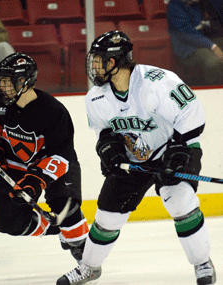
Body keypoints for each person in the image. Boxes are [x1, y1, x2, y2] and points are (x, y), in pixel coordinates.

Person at [56, 31, 216, 285]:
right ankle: (89, 267)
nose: (93, 66)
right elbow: (105, 132)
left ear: (113, 61)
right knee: (107, 215)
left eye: (98, 60)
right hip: (133, 158)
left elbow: (191, 116)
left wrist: (176, 155)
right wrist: (110, 150)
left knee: (180, 201)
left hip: (175, 147)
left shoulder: (158, 82)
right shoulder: (96, 97)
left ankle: (202, 263)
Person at [0, 52, 88, 264]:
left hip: (56, 163)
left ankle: (84, 250)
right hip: (17, 163)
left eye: (6, 81)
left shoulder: (53, 111)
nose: (0, 85)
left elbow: (61, 156)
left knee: (65, 207)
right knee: (7, 222)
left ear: (24, 82)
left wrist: (34, 182)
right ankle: (57, 228)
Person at [167, 0, 223, 87]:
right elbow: (187, 35)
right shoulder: (175, 5)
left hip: (205, 42)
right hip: (187, 49)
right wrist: (213, 46)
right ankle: (216, 93)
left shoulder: (201, 4)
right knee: (213, 63)